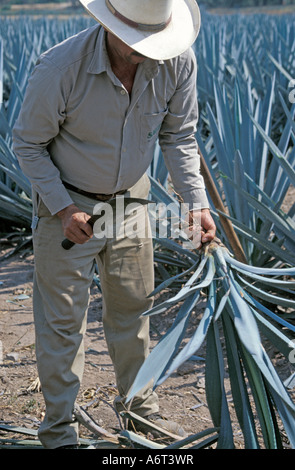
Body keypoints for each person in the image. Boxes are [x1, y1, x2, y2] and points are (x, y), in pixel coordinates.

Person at [12, 0, 216, 449]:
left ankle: (141, 415)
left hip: (131, 205)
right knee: (63, 324)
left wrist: (194, 202)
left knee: (134, 311)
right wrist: (64, 209)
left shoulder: (176, 60)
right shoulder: (63, 67)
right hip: (67, 208)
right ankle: (59, 430)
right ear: (111, 26)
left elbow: (179, 135)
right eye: (140, 41)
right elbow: (27, 143)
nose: (150, 51)